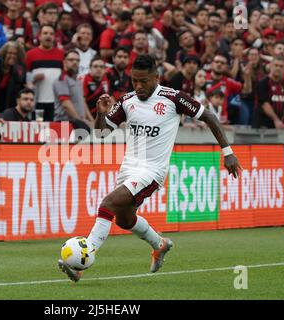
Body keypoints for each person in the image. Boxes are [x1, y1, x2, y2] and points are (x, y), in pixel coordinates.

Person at [57, 54, 242, 282]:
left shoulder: (173, 98)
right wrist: (101, 114)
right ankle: (160, 245)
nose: (139, 86)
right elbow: (101, 133)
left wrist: (228, 152)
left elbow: (210, 117)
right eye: (135, 80)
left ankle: (84, 259)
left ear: (156, 77)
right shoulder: (127, 101)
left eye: (143, 81)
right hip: (129, 169)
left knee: (108, 204)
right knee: (124, 220)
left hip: (152, 171)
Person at [25, 24, 64, 121]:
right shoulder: (30, 54)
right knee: (39, 127)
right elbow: (25, 78)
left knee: (54, 130)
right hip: (38, 102)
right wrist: (33, 79)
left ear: (54, 37)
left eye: (51, 34)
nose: (48, 36)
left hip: (56, 103)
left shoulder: (61, 54)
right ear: (39, 36)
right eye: (45, 33)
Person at [53, 49, 93, 131]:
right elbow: (66, 104)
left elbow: (82, 101)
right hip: (65, 124)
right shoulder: (62, 79)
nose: (75, 62)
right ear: (64, 62)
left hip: (77, 123)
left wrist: (91, 120)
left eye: (77, 60)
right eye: (71, 60)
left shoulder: (77, 80)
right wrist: (80, 121)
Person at [252, 56, 284, 129]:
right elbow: (264, 104)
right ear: (270, 66)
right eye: (276, 65)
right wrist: (276, 120)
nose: (278, 68)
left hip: (276, 126)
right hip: (262, 126)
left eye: (281, 66)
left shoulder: (282, 85)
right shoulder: (263, 83)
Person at [0, 41, 26, 114]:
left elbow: (16, 92)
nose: (13, 56)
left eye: (15, 54)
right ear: (4, 53)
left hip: (5, 106)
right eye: (10, 53)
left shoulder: (16, 71)